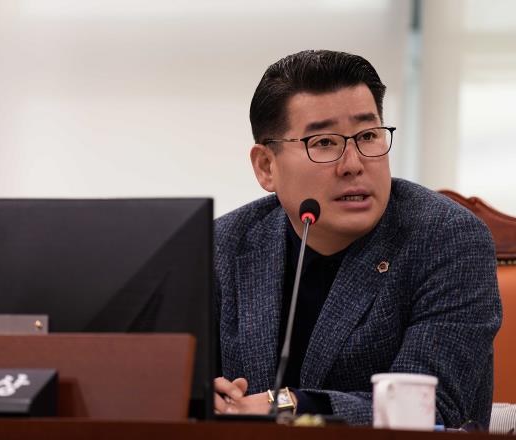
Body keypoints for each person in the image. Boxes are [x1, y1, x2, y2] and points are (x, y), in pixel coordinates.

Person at [213, 49, 502, 428]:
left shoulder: (447, 239)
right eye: (324, 143)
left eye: (368, 136)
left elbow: (430, 408)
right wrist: (202, 396)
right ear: (267, 166)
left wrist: (286, 404)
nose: (353, 164)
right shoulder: (225, 245)